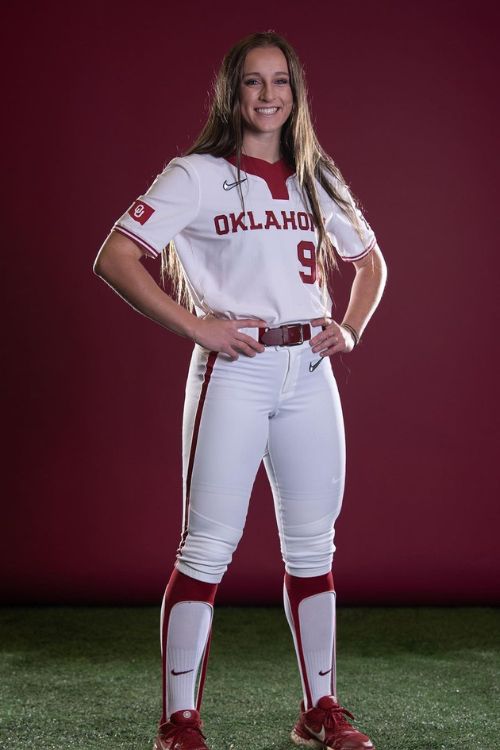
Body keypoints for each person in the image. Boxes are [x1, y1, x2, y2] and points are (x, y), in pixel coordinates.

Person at [94, 30, 387, 750]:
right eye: (253, 81)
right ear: (232, 92)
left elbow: (372, 262)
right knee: (207, 549)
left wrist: (347, 327)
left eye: (280, 80)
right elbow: (114, 256)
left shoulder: (318, 174)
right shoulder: (194, 174)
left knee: (314, 547)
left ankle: (321, 707)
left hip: (309, 371)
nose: (268, 94)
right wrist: (198, 325)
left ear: (296, 92)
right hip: (238, 367)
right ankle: (178, 722)